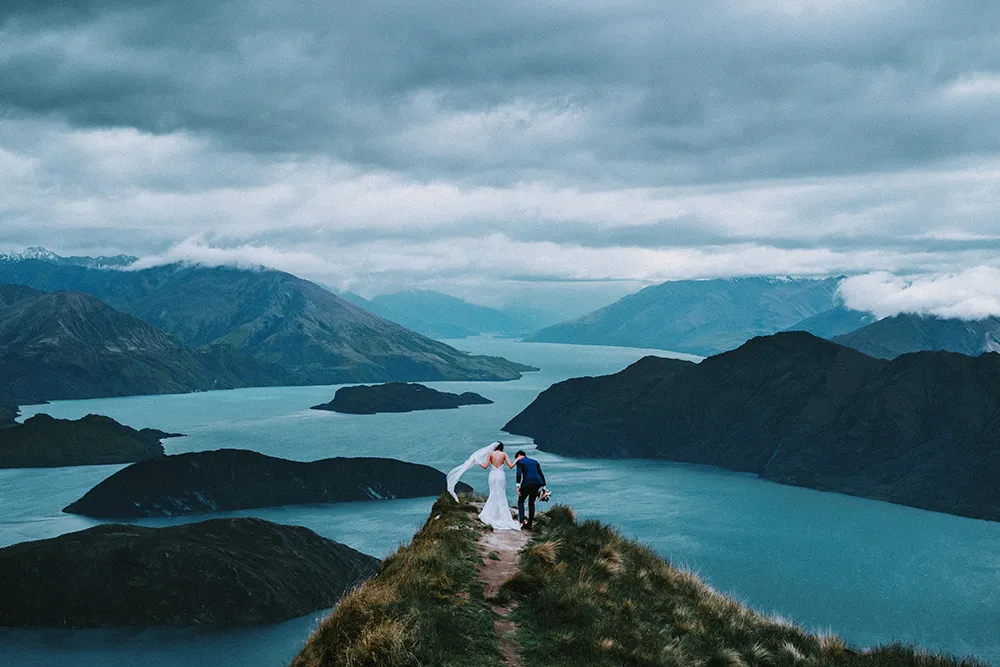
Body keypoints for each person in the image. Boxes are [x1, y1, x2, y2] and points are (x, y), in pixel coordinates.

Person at [475, 442, 521, 530]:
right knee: (501, 494)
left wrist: (478, 462)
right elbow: (511, 466)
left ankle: (490, 514)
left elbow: (485, 466)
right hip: (501, 475)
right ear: (502, 447)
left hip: (492, 475)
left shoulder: (490, 454)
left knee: (492, 493)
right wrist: (517, 459)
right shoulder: (504, 454)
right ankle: (501, 515)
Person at [514, 450, 546, 530]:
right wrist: (544, 486)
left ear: (519, 455)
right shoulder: (535, 462)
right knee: (531, 502)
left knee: (521, 501)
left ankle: (522, 521)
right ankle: (530, 524)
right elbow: (540, 474)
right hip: (537, 483)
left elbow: (519, 474)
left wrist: (517, 486)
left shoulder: (520, 462)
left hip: (527, 483)